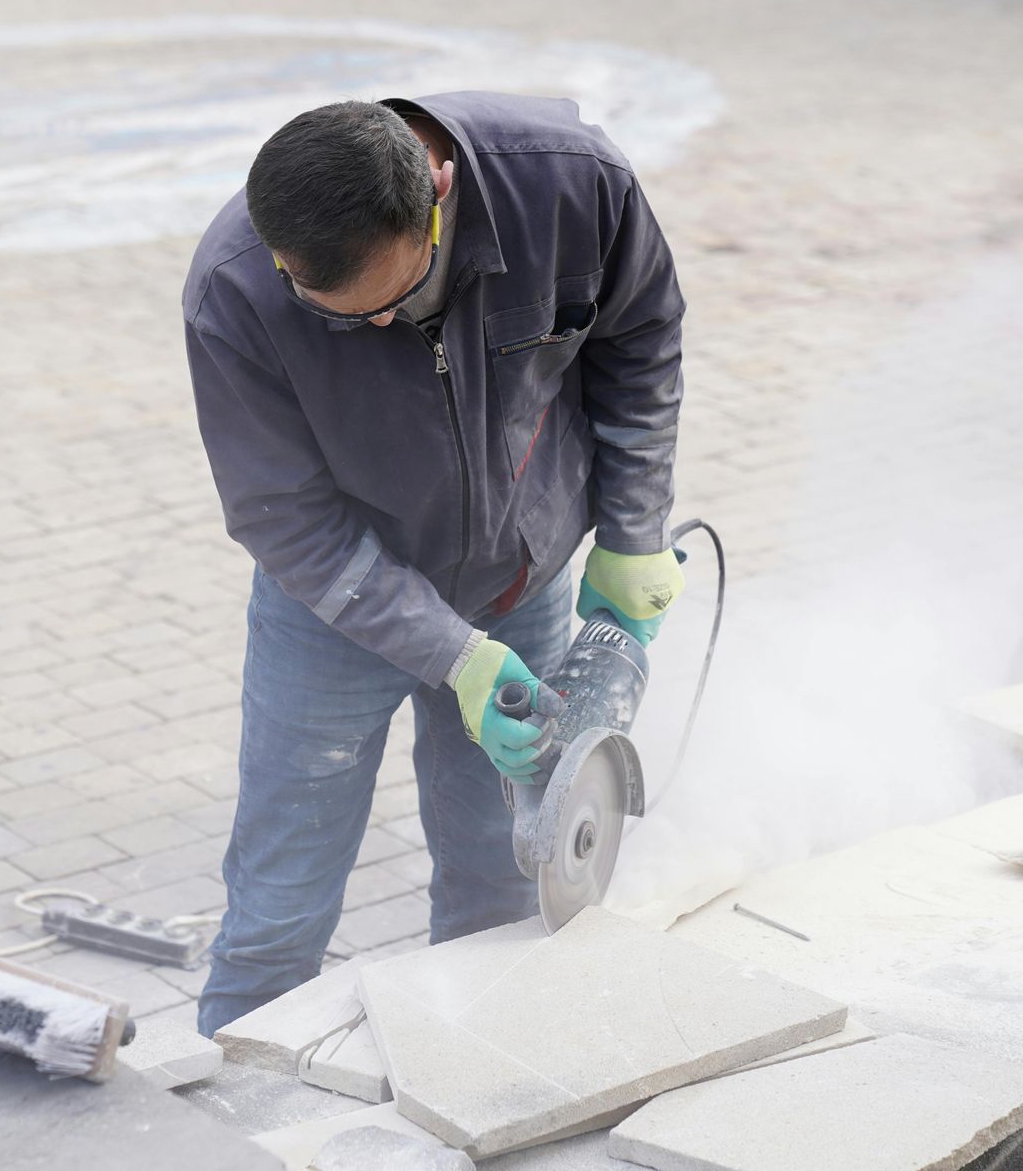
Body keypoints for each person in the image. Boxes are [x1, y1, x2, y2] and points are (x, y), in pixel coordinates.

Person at [182, 93, 686, 1035]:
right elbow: (283, 518)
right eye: (339, 316)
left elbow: (642, 343)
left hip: (519, 585)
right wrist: (455, 656)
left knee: (500, 881)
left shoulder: (574, 190)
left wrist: (633, 528)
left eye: (391, 303)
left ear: (439, 196)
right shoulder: (238, 289)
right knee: (279, 907)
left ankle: (477, 1081)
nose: (375, 329)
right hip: (336, 609)